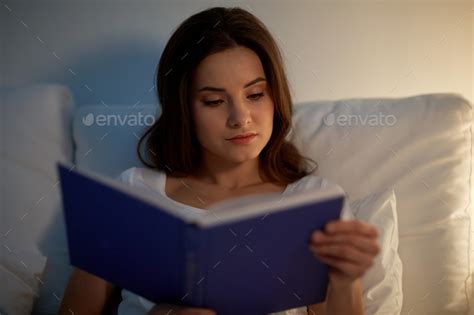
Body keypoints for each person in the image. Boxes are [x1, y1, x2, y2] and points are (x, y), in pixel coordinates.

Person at [58, 6, 380, 315]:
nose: (240, 118)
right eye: (213, 101)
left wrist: (345, 282)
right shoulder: (131, 194)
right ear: (184, 110)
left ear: (275, 97)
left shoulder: (314, 201)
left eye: (255, 95)